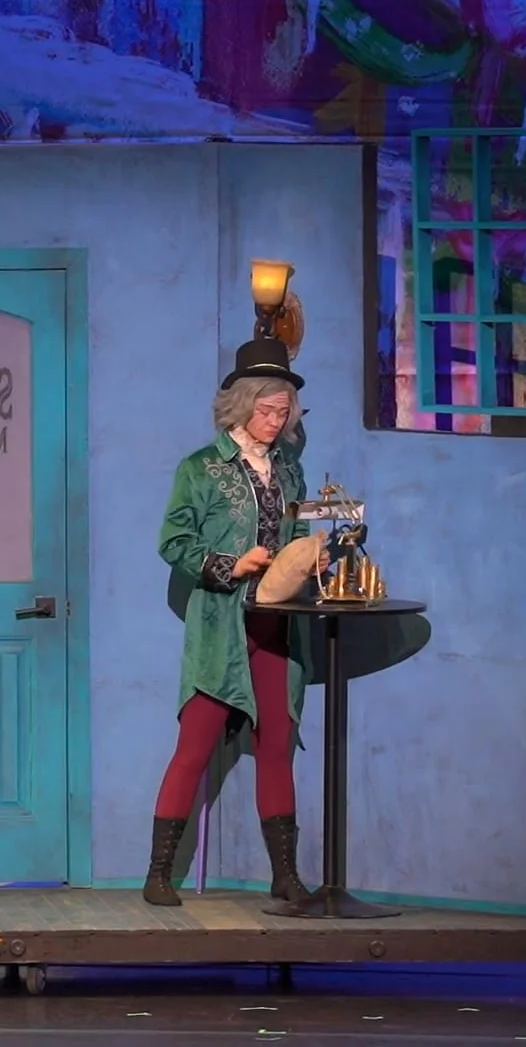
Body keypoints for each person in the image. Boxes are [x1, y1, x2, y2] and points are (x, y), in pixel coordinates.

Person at [144, 337, 328, 908]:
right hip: (222, 627)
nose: (275, 422)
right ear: (242, 405)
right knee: (194, 747)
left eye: (283, 412)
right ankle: (158, 875)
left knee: (276, 746)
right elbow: (173, 541)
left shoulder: (290, 471)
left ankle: (285, 875)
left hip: (277, 628)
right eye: (266, 410)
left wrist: (310, 558)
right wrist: (231, 564)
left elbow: (298, 533)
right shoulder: (201, 468)